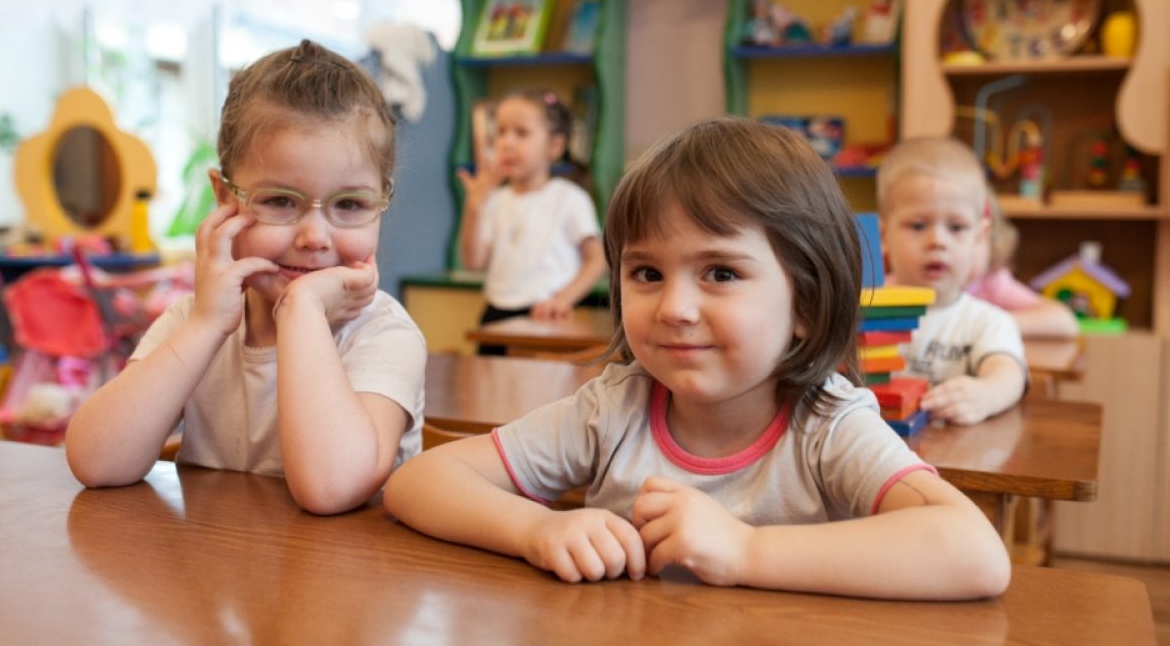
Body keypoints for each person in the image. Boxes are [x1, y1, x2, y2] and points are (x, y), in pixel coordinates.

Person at [386, 118, 1010, 600]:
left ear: (807, 303)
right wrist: (536, 530)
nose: (675, 308)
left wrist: (745, 553)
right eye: (647, 272)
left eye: (720, 272)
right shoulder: (613, 408)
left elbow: (975, 554)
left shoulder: (827, 426)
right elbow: (419, 481)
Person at [66, 39, 427, 515]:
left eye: (350, 205)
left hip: (346, 580)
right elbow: (96, 461)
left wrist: (301, 312)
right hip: (229, 570)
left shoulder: (385, 334)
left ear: (381, 202)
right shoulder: (200, 321)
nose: (315, 236)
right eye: (280, 201)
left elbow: (330, 488)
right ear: (224, 197)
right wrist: (205, 326)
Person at [877, 136, 1029, 425]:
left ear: (979, 238)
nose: (938, 241)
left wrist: (986, 394)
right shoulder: (860, 308)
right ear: (884, 235)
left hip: (954, 460)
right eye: (918, 225)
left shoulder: (987, 322)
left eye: (956, 227)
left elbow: (1010, 374)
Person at [457, 89, 606, 349]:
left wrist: (562, 299)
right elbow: (473, 262)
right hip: (495, 315)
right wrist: (474, 207)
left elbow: (597, 259)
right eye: (501, 132)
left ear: (555, 146)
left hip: (545, 317)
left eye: (521, 133)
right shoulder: (494, 200)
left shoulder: (570, 198)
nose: (507, 143)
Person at [968, 196, 1080, 339]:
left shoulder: (991, 283)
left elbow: (1065, 322)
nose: (940, 242)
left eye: (957, 228)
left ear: (991, 242)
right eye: (928, 225)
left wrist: (989, 325)